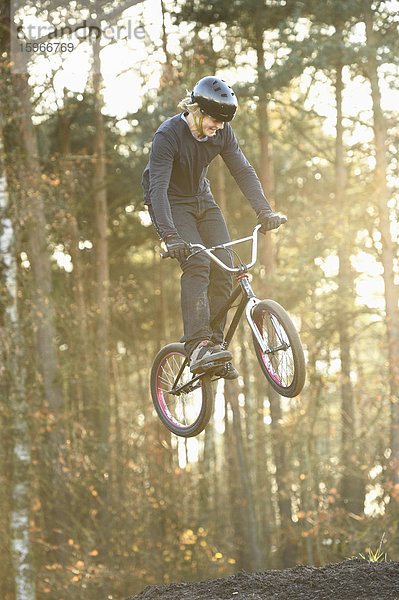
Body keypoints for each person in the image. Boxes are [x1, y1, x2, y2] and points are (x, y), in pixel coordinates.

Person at [142, 76, 284, 378]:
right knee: (198, 264)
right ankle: (197, 344)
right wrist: (170, 236)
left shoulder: (221, 132)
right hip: (170, 201)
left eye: (223, 122)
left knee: (227, 270)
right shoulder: (168, 136)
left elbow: (242, 170)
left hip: (201, 199)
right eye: (215, 120)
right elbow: (157, 189)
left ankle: (214, 347)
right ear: (196, 109)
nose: (219, 127)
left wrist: (264, 211)